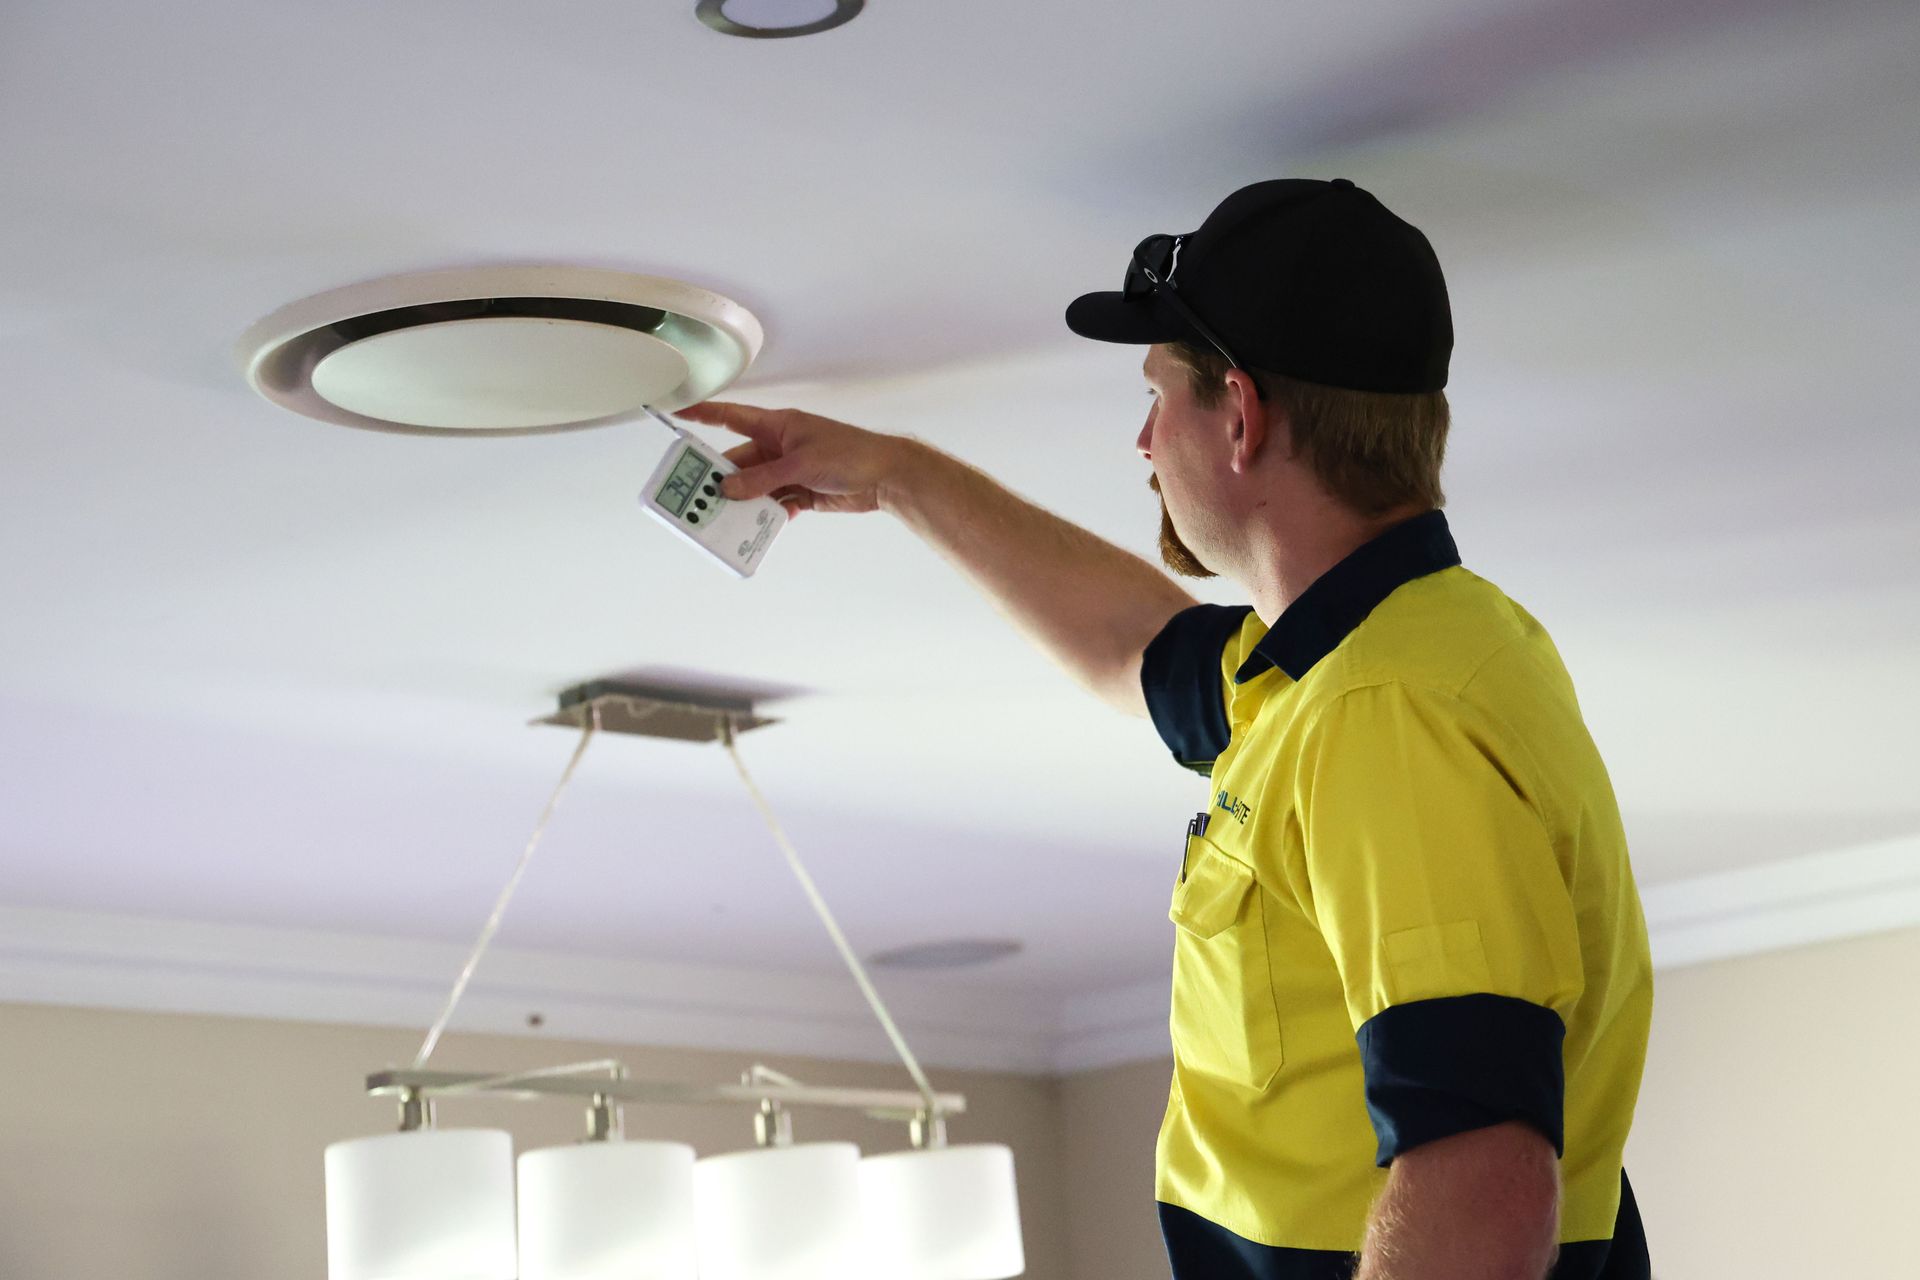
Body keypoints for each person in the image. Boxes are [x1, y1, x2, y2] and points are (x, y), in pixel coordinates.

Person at [678, 178, 1654, 1280]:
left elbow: (1480, 1171)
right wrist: (899, 476)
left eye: (1160, 398)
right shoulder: (1366, 662)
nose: (1144, 440)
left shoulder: (1386, 712)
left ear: (1239, 414)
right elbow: (1130, 644)